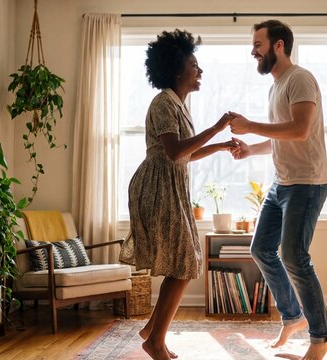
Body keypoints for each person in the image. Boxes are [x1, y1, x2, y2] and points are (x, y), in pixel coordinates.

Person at [128, 29, 236, 360]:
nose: (199, 71)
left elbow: (182, 153)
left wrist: (218, 146)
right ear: (177, 70)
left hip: (170, 186)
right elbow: (174, 152)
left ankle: (152, 331)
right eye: (194, 64)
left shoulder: (178, 104)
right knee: (185, 264)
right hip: (157, 188)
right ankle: (155, 341)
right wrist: (216, 128)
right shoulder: (163, 102)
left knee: (180, 264)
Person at [229, 20, 327, 360]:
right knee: (261, 248)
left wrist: (249, 125)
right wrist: (250, 148)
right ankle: (293, 316)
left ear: (278, 46)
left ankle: (322, 337)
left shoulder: (300, 79)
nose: (252, 50)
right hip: (282, 182)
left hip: (307, 183)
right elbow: (281, 135)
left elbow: (300, 130)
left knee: (294, 256)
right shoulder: (276, 86)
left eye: (258, 43)